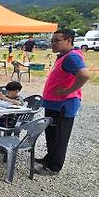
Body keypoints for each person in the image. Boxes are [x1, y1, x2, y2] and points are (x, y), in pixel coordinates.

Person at [37, 29, 90, 175]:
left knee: (59, 136)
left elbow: (84, 75)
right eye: (52, 41)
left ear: (69, 41)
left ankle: (54, 167)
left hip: (63, 105)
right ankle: (49, 158)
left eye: (56, 41)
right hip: (53, 103)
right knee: (51, 134)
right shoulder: (63, 56)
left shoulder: (72, 57)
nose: (53, 44)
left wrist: (68, 90)